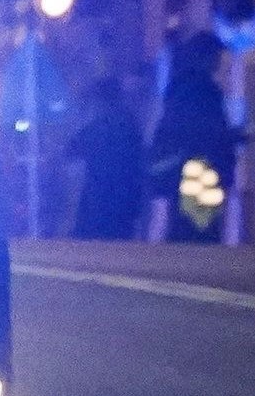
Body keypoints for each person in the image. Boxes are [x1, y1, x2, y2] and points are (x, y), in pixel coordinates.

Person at [149, 29, 240, 242]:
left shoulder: (180, 90)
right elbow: (208, 135)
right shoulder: (205, 93)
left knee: (182, 232)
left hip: (181, 174)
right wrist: (232, 141)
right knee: (200, 236)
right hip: (201, 175)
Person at [63, 74, 148, 239]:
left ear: (100, 100)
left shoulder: (99, 127)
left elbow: (69, 151)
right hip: (125, 204)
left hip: (98, 203)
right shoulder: (131, 127)